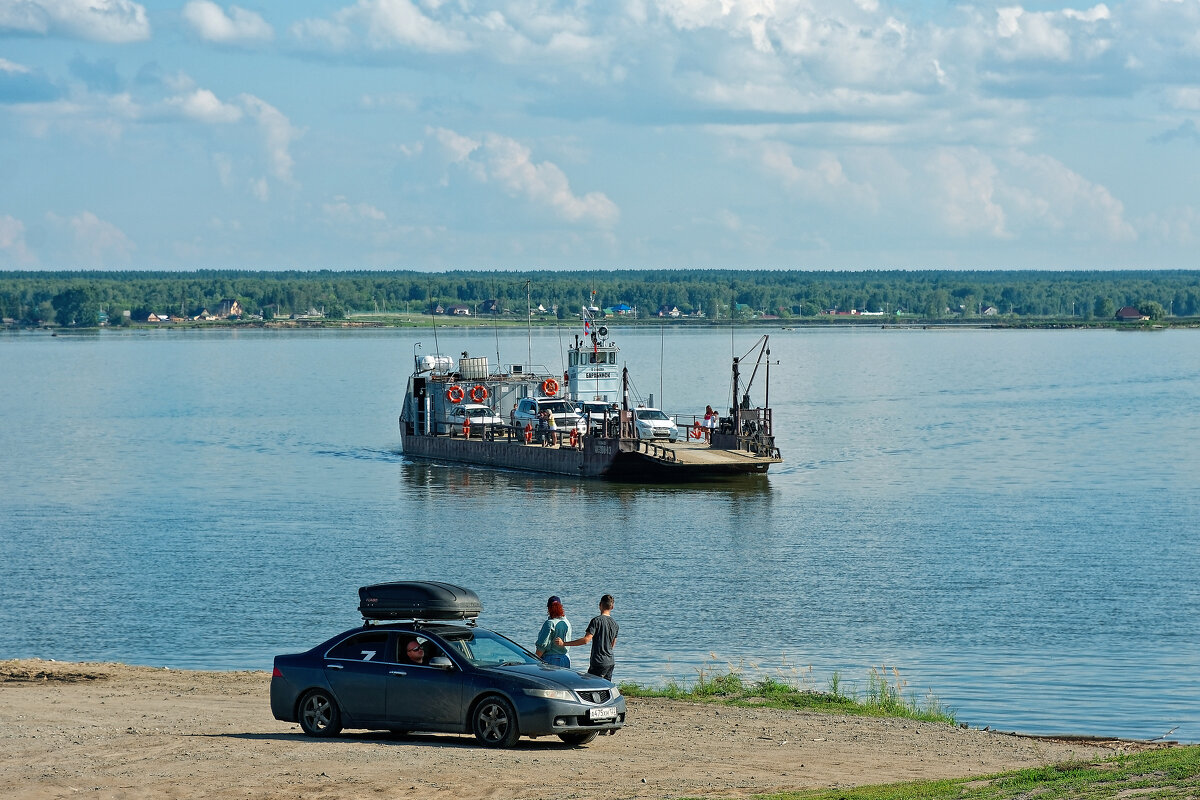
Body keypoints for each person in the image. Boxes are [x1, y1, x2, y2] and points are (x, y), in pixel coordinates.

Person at [557, 594, 618, 680]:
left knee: (590, 685)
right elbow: (612, 645)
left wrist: (564, 643)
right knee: (605, 687)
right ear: (612, 607)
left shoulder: (596, 621)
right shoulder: (615, 624)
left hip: (598, 662)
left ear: (600, 605)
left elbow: (586, 640)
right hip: (610, 662)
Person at [535, 595, 571, 667]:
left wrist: (534, 660)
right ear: (561, 607)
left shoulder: (549, 623)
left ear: (549, 608)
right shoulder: (567, 622)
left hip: (551, 659)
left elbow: (543, 645)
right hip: (565, 658)